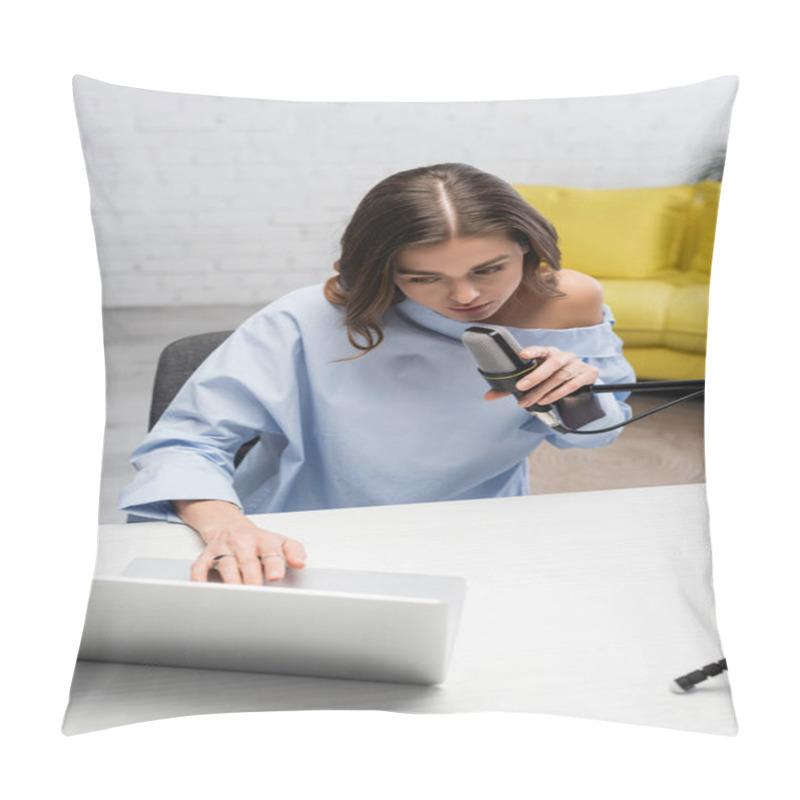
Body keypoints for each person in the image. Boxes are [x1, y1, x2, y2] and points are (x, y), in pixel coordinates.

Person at [119, 163, 635, 585]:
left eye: (488, 269)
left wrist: (577, 396)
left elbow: (593, 438)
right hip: (303, 536)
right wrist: (228, 527)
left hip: (478, 534)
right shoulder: (305, 320)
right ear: (384, 269)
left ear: (526, 245)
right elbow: (185, 443)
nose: (465, 297)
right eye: (424, 278)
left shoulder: (568, 301)